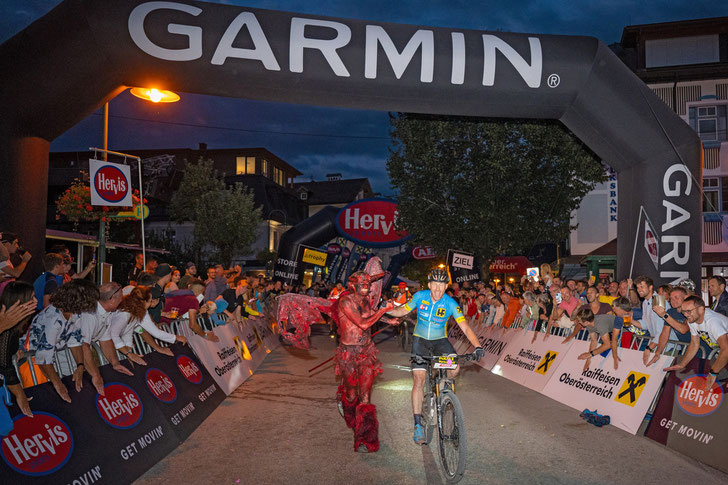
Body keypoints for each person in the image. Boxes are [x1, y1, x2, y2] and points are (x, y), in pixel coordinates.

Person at [387, 268, 484, 445]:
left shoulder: (450, 303)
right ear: (429, 285)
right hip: (421, 341)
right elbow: (401, 311)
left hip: (440, 342)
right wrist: (384, 310)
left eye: (442, 286)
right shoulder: (419, 297)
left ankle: (444, 392)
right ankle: (417, 425)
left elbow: (465, 327)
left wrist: (477, 346)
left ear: (446, 286)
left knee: (454, 368)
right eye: (435, 286)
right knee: (419, 380)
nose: (438, 290)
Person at [331, 271, 395, 453]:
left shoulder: (366, 301)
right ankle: (345, 401)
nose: (367, 284)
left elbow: (371, 315)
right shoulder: (345, 302)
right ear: (353, 285)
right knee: (352, 395)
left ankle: (365, 440)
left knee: (365, 397)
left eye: (368, 281)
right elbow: (364, 324)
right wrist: (384, 309)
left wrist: (390, 320)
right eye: (363, 282)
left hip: (366, 351)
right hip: (348, 354)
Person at [21, 279, 99, 402]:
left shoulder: (74, 313)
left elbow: (75, 340)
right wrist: (58, 384)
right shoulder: (53, 319)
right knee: (41, 401)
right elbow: (44, 358)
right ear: (79, 300)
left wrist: (80, 365)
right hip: (31, 362)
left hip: (48, 360)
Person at [665, 295, 728, 392]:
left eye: (689, 311)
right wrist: (682, 364)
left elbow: (726, 349)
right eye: (683, 311)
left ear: (701, 309)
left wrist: (713, 373)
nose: (685, 315)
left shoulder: (712, 322)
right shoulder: (692, 321)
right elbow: (694, 344)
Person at [110, 286, 188, 365]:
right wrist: (128, 354)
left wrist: (129, 349)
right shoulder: (124, 314)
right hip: (107, 345)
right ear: (143, 302)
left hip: (117, 344)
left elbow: (132, 330)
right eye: (150, 301)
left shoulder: (139, 311)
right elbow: (113, 334)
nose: (151, 304)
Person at [73, 282, 134, 377]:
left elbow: (105, 340)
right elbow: (83, 346)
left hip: (78, 362)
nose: (122, 300)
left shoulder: (107, 312)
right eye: (120, 297)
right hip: (67, 363)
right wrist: (96, 376)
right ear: (112, 300)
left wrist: (115, 363)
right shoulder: (90, 313)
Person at [0, 282, 37, 416]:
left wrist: (14, 351)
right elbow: (5, 367)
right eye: (32, 297)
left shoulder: (13, 326)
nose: (36, 301)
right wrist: (20, 394)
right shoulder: (7, 328)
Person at [573, 306, 615, 373]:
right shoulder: (589, 324)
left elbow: (607, 345)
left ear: (586, 322)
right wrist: (588, 361)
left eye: (580, 321)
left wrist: (590, 354)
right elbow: (593, 341)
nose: (579, 323)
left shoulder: (600, 324)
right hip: (614, 331)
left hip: (625, 329)